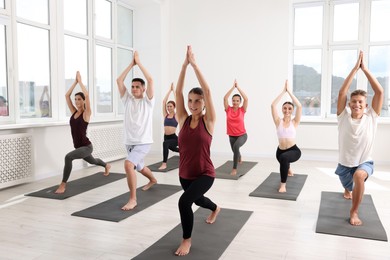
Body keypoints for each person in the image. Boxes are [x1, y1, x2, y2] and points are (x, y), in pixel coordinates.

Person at [174, 46, 220, 256]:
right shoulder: (182, 119)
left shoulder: (208, 122)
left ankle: (187, 240)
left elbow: (208, 91)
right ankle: (215, 208)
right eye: (190, 100)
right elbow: (177, 92)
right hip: (185, 175)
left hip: (205, 174)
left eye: (197, 101)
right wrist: (183, 66)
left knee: (185, 202)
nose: (192, 104)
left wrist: (194, 65)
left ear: (203, 104)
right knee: (198, 200)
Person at [335, 50, 383, 226]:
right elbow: (342, 93)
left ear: (366, 106)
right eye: (354, 101)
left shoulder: (372, 117)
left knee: (359, 176)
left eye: (360, 102)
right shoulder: (343, 117)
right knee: (348, 186)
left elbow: (379, 92)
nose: (357, 104)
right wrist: (354, 69)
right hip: (344, 164)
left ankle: (354, 212)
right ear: (349, 104)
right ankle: (347, 190)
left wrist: (365, 70)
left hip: (364, 162)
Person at [55, 71, 111, 194]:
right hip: (79, 147)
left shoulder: (87, 113)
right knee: (93, 161)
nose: (77, 101)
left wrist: (80, 81)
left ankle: (63, 184)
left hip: (86, 147)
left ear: (84, 101)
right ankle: (106, 165)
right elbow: (66, 96)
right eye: (76, 99)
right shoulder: (74, 112)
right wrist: (75, 82)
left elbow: (87, 95)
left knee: (68, 157)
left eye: (79, 99)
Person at [116, 51, 157, 210]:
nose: (133, 89)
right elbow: (119, 80)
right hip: (129, 142)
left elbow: (150, 79)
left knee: (128, 165)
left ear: (143, 88)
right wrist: (130, 65)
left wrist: (138, 63)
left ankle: (133, 199)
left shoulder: (148, 102)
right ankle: (153, 179)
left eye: (137, 87)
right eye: (132, 87)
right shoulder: (127, 99)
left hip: (143, 142)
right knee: (139, 167)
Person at [271, 80, 302, 193]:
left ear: (292, 111)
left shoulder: (295, 122)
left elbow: (299, 106)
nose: (287, 110)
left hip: (294, 151)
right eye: (285, 108)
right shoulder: (278, 121)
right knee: (283, 158)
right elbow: (273, 105)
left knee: (285, 158)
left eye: (289, 109)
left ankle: (283, 184)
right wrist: (283, 92)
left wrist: (289, 92)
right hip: (280, 152)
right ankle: (288, 169)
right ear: (282, 110)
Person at [223, 79, 248, 175]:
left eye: (237, 101)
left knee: (236, 147)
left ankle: (234, 169)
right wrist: (233, 88)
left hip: (242, 135)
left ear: (240, 102)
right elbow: (225, 98)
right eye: (233, 100)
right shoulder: (228, 109)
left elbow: (246, 99)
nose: (235, 102)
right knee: (235, 150)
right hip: (231, 135)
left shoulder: (242, 110)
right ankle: (240, 157)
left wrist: (238, 88)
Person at [158, 82, 180, 170]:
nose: (169, 108)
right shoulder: (165, 115)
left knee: (165, 144)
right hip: (166, 137)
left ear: (174, 107)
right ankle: (186, 152)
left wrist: (174, 91)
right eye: (168, 106)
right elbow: (164, 102)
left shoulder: (176, 116)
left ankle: (164, 163)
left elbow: (178, 102)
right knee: (173, 148)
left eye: (171, 106)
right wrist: (169, 90)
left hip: (174, 138)